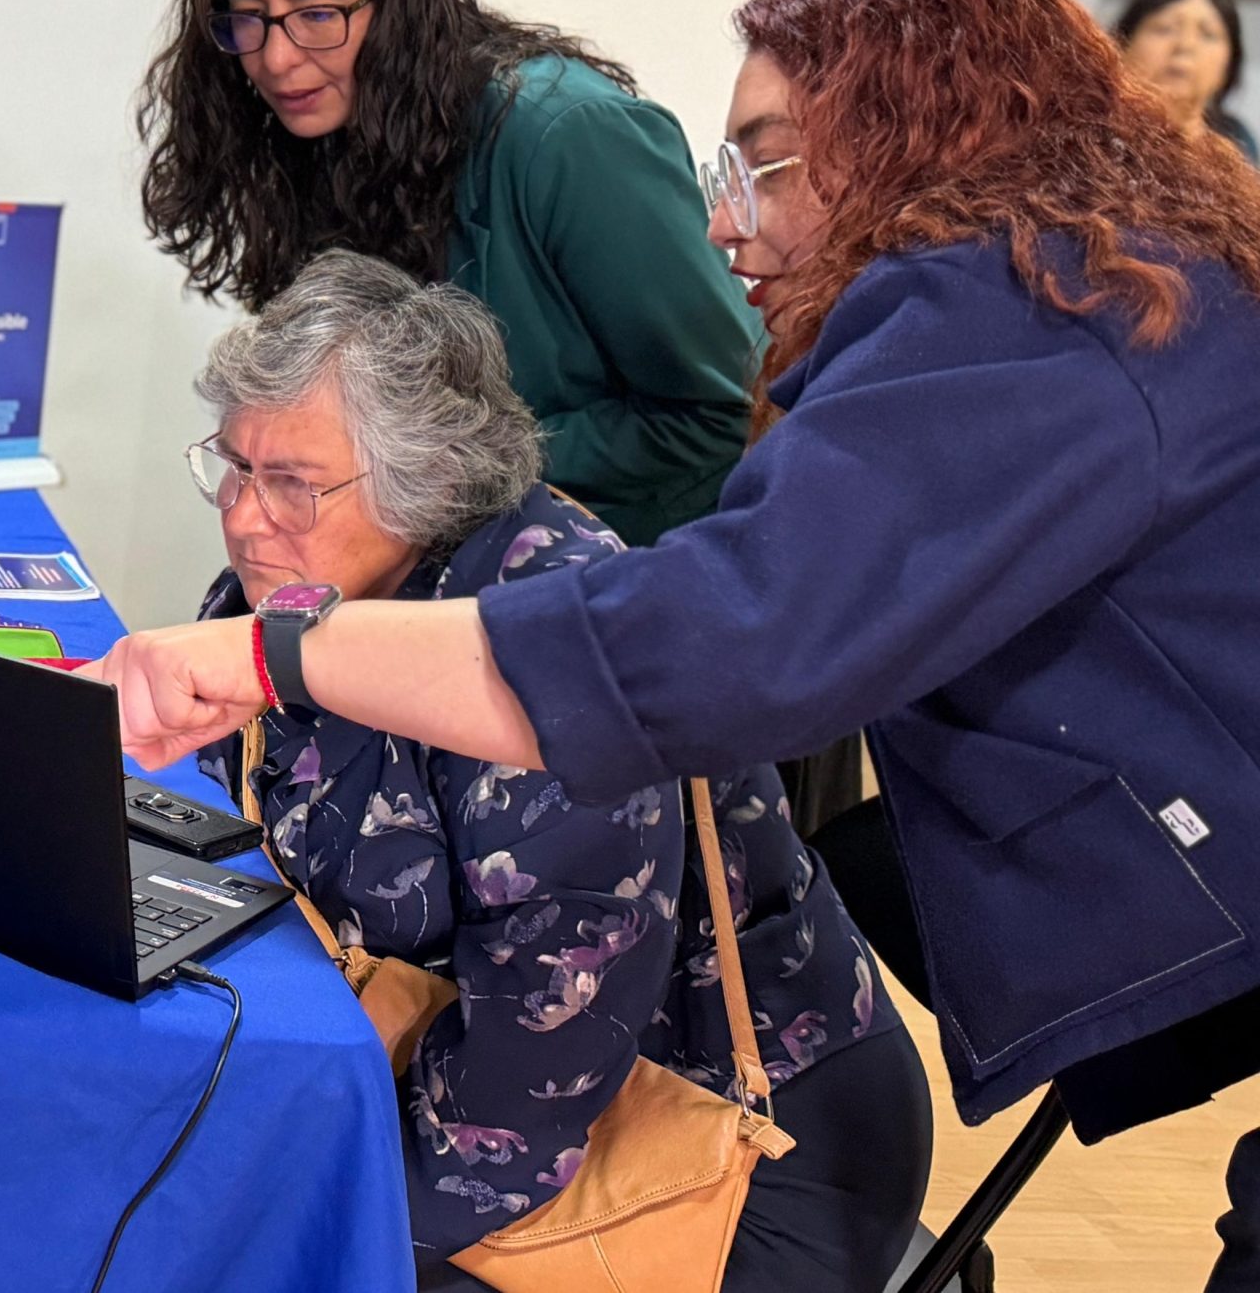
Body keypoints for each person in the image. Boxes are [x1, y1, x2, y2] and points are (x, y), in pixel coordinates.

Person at [92, 0, 1260, 1286]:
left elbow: (731, 637)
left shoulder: (1033, 306)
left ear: (911, 135)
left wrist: (272, 652)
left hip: (740, 1150)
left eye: (763, 161)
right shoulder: (1088, 284)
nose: (721, 221)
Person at [182, 251, 927, 1290]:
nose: (242, 512)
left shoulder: (559, 657)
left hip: (711, 1154)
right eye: (232, 464)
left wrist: (279, 1223)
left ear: (425, 479)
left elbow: (522, 1099)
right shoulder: (293, 586)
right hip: (431, 1077)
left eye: (292, 482)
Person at [137, 0, 755, 547]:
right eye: (247, 20)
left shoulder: (567, 134)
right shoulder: (307, 134)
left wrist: (437, 466)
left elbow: (723, 412)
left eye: (317, 14)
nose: (274, 59)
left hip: (598, 597)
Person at [1114, 0, 1255, 164]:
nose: (1185, 45)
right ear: (1121, 45)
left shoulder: (1239, 142)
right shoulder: (1090, 132)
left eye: (1208, 34)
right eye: (1165, 28)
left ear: (1229, 65)